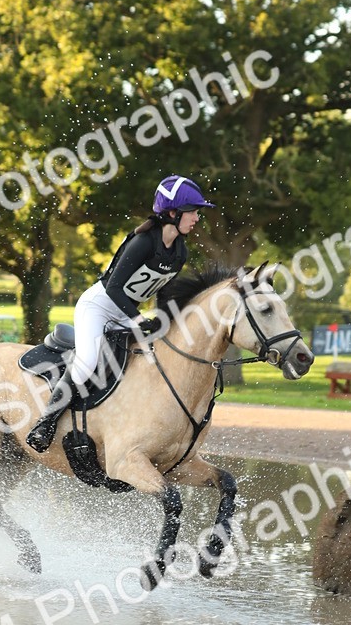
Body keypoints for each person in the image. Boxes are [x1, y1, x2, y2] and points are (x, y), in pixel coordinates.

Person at [26, 174, 212, 453]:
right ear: (173, 213)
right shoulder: (143, 243)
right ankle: (45, 423)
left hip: (125, 313)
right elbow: (113, 288)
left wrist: (163, 322)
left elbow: (163, 292)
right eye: (193, 212)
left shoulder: (179, 251)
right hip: (98, 307)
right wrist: (137, 320)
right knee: (88, 361)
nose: (197, 218)